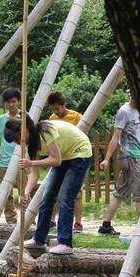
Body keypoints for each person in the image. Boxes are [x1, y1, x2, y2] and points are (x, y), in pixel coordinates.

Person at [5, 116, 92, 255]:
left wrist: (31, 163)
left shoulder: (45, 131)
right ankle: (39, 240)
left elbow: (55, 160)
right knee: (47, 198)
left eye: (18, 138)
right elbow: (34, 175)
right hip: (63, 157)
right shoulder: (30, 145)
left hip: (79, 154)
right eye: (16, 141)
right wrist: (26, 192)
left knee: (65, 198)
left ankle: (65, 243)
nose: (19, 142)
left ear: (25, 129)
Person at [98, 94, 140, 235]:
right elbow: (116, 136)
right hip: (130, 157)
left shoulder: (139, 110)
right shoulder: (124, 111)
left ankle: (105, 226)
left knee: (120, 193)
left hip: (135, 156)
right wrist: (107, 158)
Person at [47, 91, 85, 232]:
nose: (55, 112)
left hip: (76, 157)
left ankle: (78, 223)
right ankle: (52, 219)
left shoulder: (76, 117)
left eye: (57, 108)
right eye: (53, 109)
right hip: (60, 158)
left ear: (64, 105)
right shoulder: (52, 118)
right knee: (56, 190)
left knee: (77, 193)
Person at [0, 87, 21, 224]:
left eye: (14, 101)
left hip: (20, 161)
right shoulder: (1, 119)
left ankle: (29, 219)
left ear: (19, 102)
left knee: (23, 190)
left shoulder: (25, 117)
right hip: (4, 162)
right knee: (6, 193)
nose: (11, 104)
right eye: (8, 102)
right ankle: (11, 219)